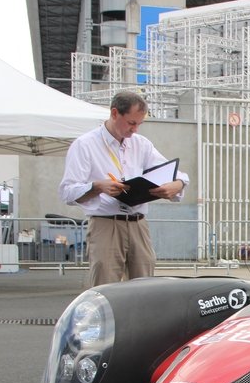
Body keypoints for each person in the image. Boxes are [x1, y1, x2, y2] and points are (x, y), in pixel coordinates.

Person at [59, 91, 189, 287]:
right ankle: (105, 318)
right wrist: (97, 187)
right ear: (114, 113)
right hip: (106, 224)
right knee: (105, 285)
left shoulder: (141, 144)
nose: (135, 129)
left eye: (139, 124)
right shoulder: (85, 145)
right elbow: (67, 191)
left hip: (138, 223)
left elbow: (175, 173)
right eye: (131, 123)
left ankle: (142, 318)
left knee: (145, 285)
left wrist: (177, 185)